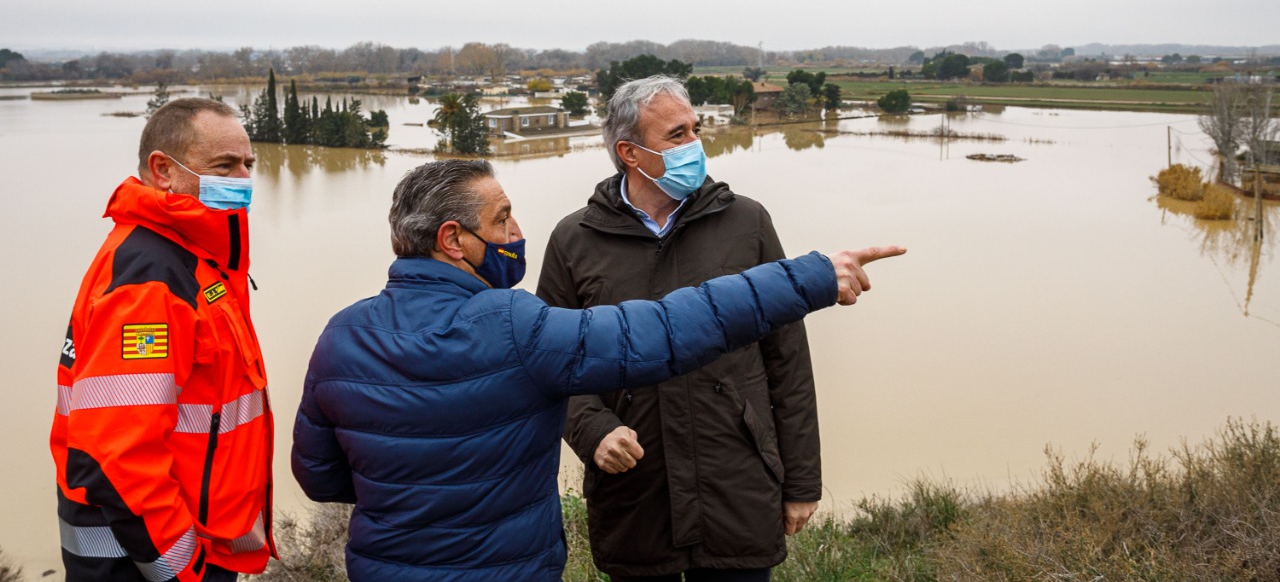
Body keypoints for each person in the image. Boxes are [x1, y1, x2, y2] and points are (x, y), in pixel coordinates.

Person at [291, 159, 903, 582]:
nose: (517, 232)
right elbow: (663, 328)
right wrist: (811, 275)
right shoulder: (514, 325)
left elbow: (320, 477)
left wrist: (411, 487)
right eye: (503, 218)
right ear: (453, 239)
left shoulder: (342, 333)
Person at [537, 74, 818, 581]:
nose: (695, 144)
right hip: (635, 496)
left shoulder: (746, 223)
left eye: (695, 128)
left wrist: (801, 482)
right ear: (630, 152)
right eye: (677, 134)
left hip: (737, 488)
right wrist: (593, 430)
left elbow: (788, 360)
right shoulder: (574, 240)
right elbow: (551, 364)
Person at [51, 98, 273, 582]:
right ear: (162, 171)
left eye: (247, 165)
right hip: (146, 563)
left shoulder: (192, 258)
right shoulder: (151, 276)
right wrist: (180, 568)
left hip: (186, 546)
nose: (242, 179)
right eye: (224, 165)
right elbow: (117, 452)